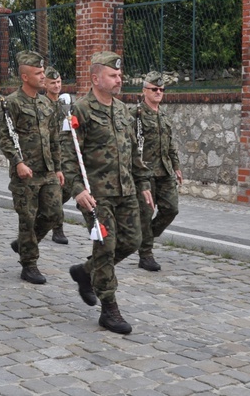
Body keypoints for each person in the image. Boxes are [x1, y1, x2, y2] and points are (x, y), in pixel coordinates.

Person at [63, 51, 153, 335]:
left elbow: (133, 152)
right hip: (96, 195)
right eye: (113, 75)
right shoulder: (80, 111)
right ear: (95, 78)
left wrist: (144, 183)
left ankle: (85, 271)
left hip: (125, 191)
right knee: (106, 246)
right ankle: (109, 308)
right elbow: (67, 155)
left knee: (132, 240)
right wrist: (76, 190)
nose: (118, 80)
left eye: (119, 75)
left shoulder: (123, 110)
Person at [0, 51, 64, 286]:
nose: (42, 76)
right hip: (25, 173)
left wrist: (58, 167)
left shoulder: (46, 103)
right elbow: (5, 137)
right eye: (38, 73)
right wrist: (18, 162)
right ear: (25, 77)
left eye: (43, 72)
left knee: (54, 214)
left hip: (47, 171)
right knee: (27, 218)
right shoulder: (12, 103)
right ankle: (29, 264)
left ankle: (24, 243)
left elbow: (54, 137)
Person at [131, 71, 181, 272]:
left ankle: (145, 236)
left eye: (161, 89)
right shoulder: (135, 115)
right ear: (144, 91)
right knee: (146, 213)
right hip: (146, 173)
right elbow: (131, 145)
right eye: (154, 89)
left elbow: (170, 145)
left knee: (171, 209)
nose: (158, 92)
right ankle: (146, 254)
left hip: (165, 171)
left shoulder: (163, 115)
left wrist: (176, 166)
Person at [43, 66, 73, 245]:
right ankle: (57, 228)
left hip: (65, 153)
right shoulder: (41, 104)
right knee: (54, 192)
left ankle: (50, 215)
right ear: (45, 84)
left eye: (59, 82)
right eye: (52, 82)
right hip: (47, 154)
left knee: (66, 190)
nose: (56, 85)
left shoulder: (65, 104)